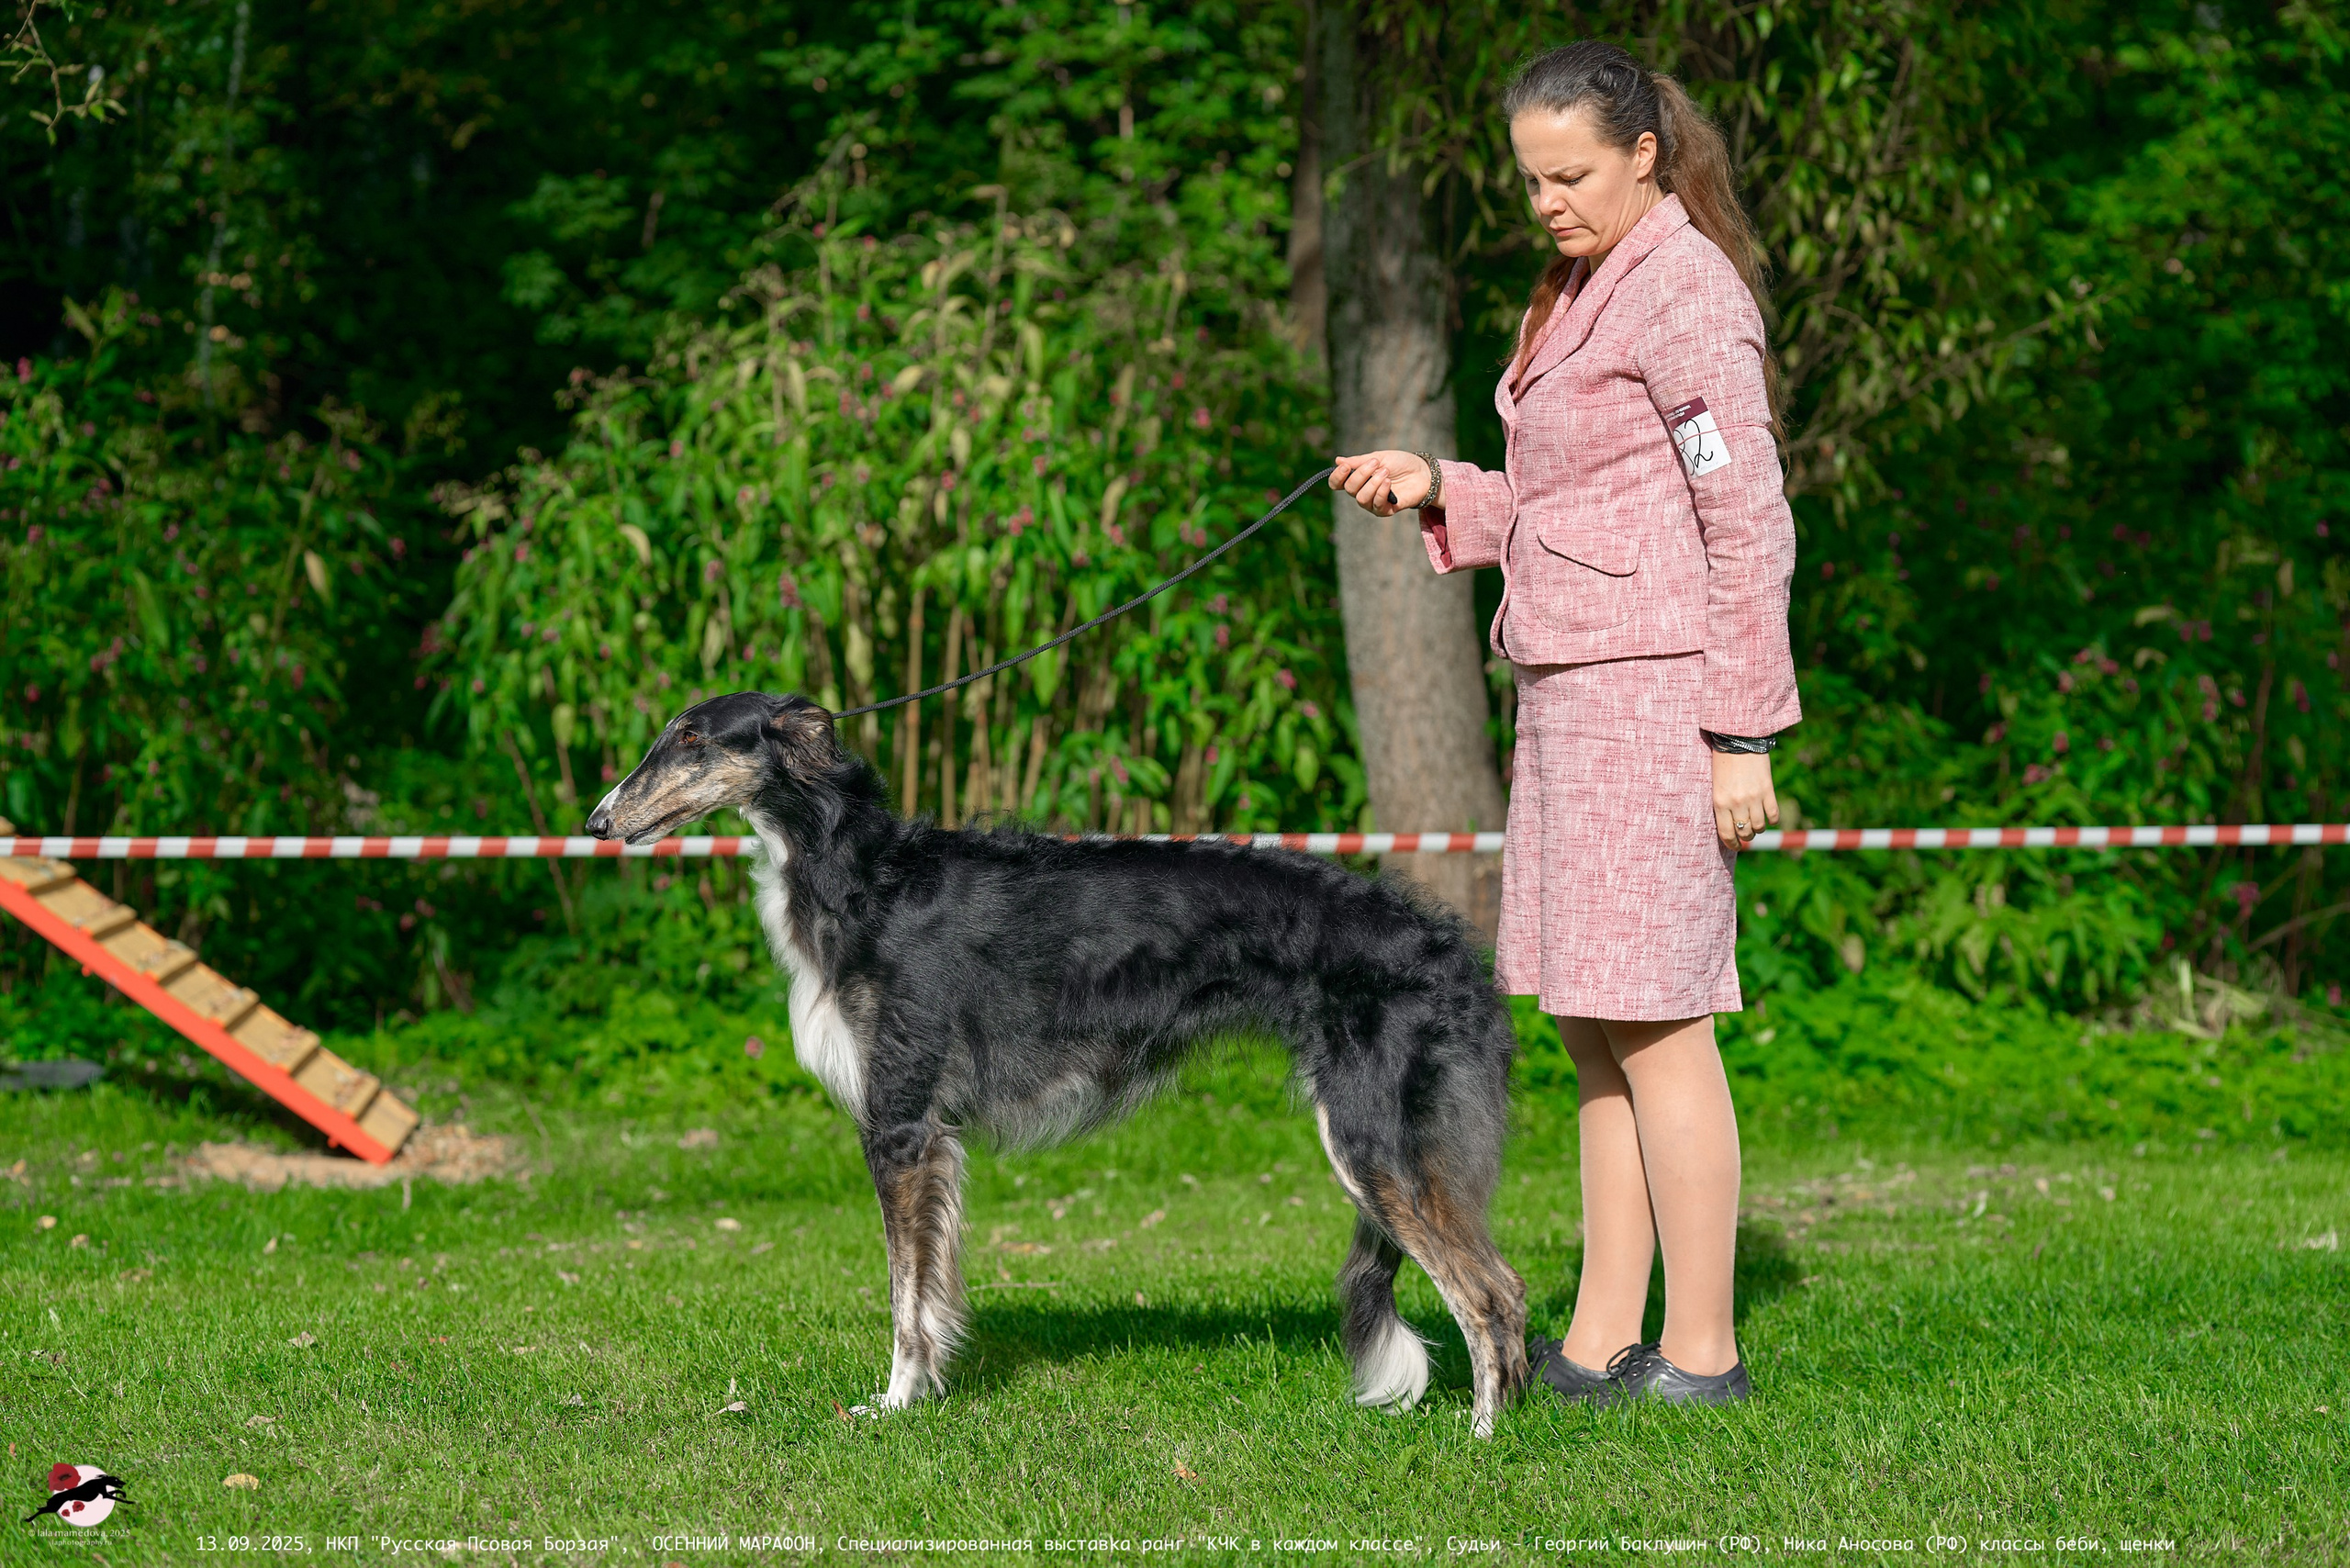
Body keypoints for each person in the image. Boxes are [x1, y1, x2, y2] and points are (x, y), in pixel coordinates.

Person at [1329, 40, 1799, 1406]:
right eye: (1532, 177)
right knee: (1595, 1026)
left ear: (1645, 154)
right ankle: (1599, 1338)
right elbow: (1590, 507)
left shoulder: (1687, 293)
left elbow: (1743, 517)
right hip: (1571, 699)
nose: (1547, 199)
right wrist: (1440, 488)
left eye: (1572, 173)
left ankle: (1702, 1350)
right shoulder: (1589, 286)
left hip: (1660, 703)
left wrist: (1742, 732)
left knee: (1661, 1027)